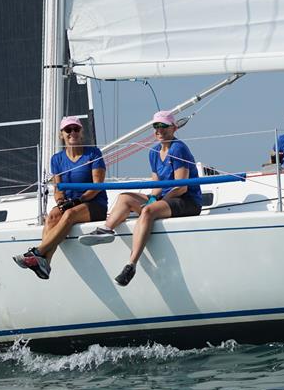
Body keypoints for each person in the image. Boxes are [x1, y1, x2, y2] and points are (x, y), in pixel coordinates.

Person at [79, 110, 202, 287]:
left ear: (174, 128)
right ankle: (106, 229)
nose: (159, 130)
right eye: (156, 126)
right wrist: (153, 197)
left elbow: (181, 187)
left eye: (163, 126)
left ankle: (131, 265)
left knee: (148, 211)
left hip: (188, 200)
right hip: (167, 198)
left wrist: (155, 202)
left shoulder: (178, 148)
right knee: (124, 198)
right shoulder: (153, 152)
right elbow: (157, 185)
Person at [13, 116, 107, 280]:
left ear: (81, 132)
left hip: (94, 204)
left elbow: (97, 186)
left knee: (69, 215)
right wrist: (61, 202)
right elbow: (58, 189)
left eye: (76, 129)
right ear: (62, 134)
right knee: (52, 216)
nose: (73, 133)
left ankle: (38, 252)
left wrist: (77, 201)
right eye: (68, 130)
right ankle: (45, 263)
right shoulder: (57, 159)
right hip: (71, 204)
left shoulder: (93, 153)